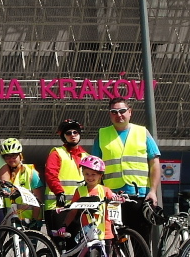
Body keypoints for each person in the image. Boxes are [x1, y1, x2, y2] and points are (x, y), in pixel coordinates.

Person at [91, 98, 161, 245]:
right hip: (112, 198)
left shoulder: (142, 132)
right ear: (110, 114)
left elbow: (154, 163)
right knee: (114, 243)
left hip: (139, 196)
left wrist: (153, 191)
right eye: (114, 112)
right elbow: (94, 167)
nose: (119, 115)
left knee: (141, 243)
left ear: (130, 112)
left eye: (122, 111)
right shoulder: (102, 134)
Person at [56, 154, 123, 242]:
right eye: (87, 174)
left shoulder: (105, 190)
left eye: (93, 174)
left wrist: (118, 199)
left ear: (100, 175)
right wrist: (64, 226)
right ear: (83, 174)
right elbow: (73, 211)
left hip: (105, 234)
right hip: (87, 234)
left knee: (107, 251)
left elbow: (114, 200)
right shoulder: (79, 191)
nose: (90, 177)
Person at [44, 118, 87, 236]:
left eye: (75, 132)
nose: (72, 135)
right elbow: (51, 174)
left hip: (78, 206)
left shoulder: (86, 156)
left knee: (78, 242)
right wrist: (59, 192)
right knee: (59, 242)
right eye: (68, 133)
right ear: (63, 136)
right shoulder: (56, 153)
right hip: (58, 206)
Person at [0, 138, 44, 226]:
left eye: (14, 155)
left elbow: (38, 199)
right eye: (7, 156)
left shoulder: (30, 172)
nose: (11, 159)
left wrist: (34, 220)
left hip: (30, 221)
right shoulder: (4, 174)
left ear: (20, 155)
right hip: (12, 221)